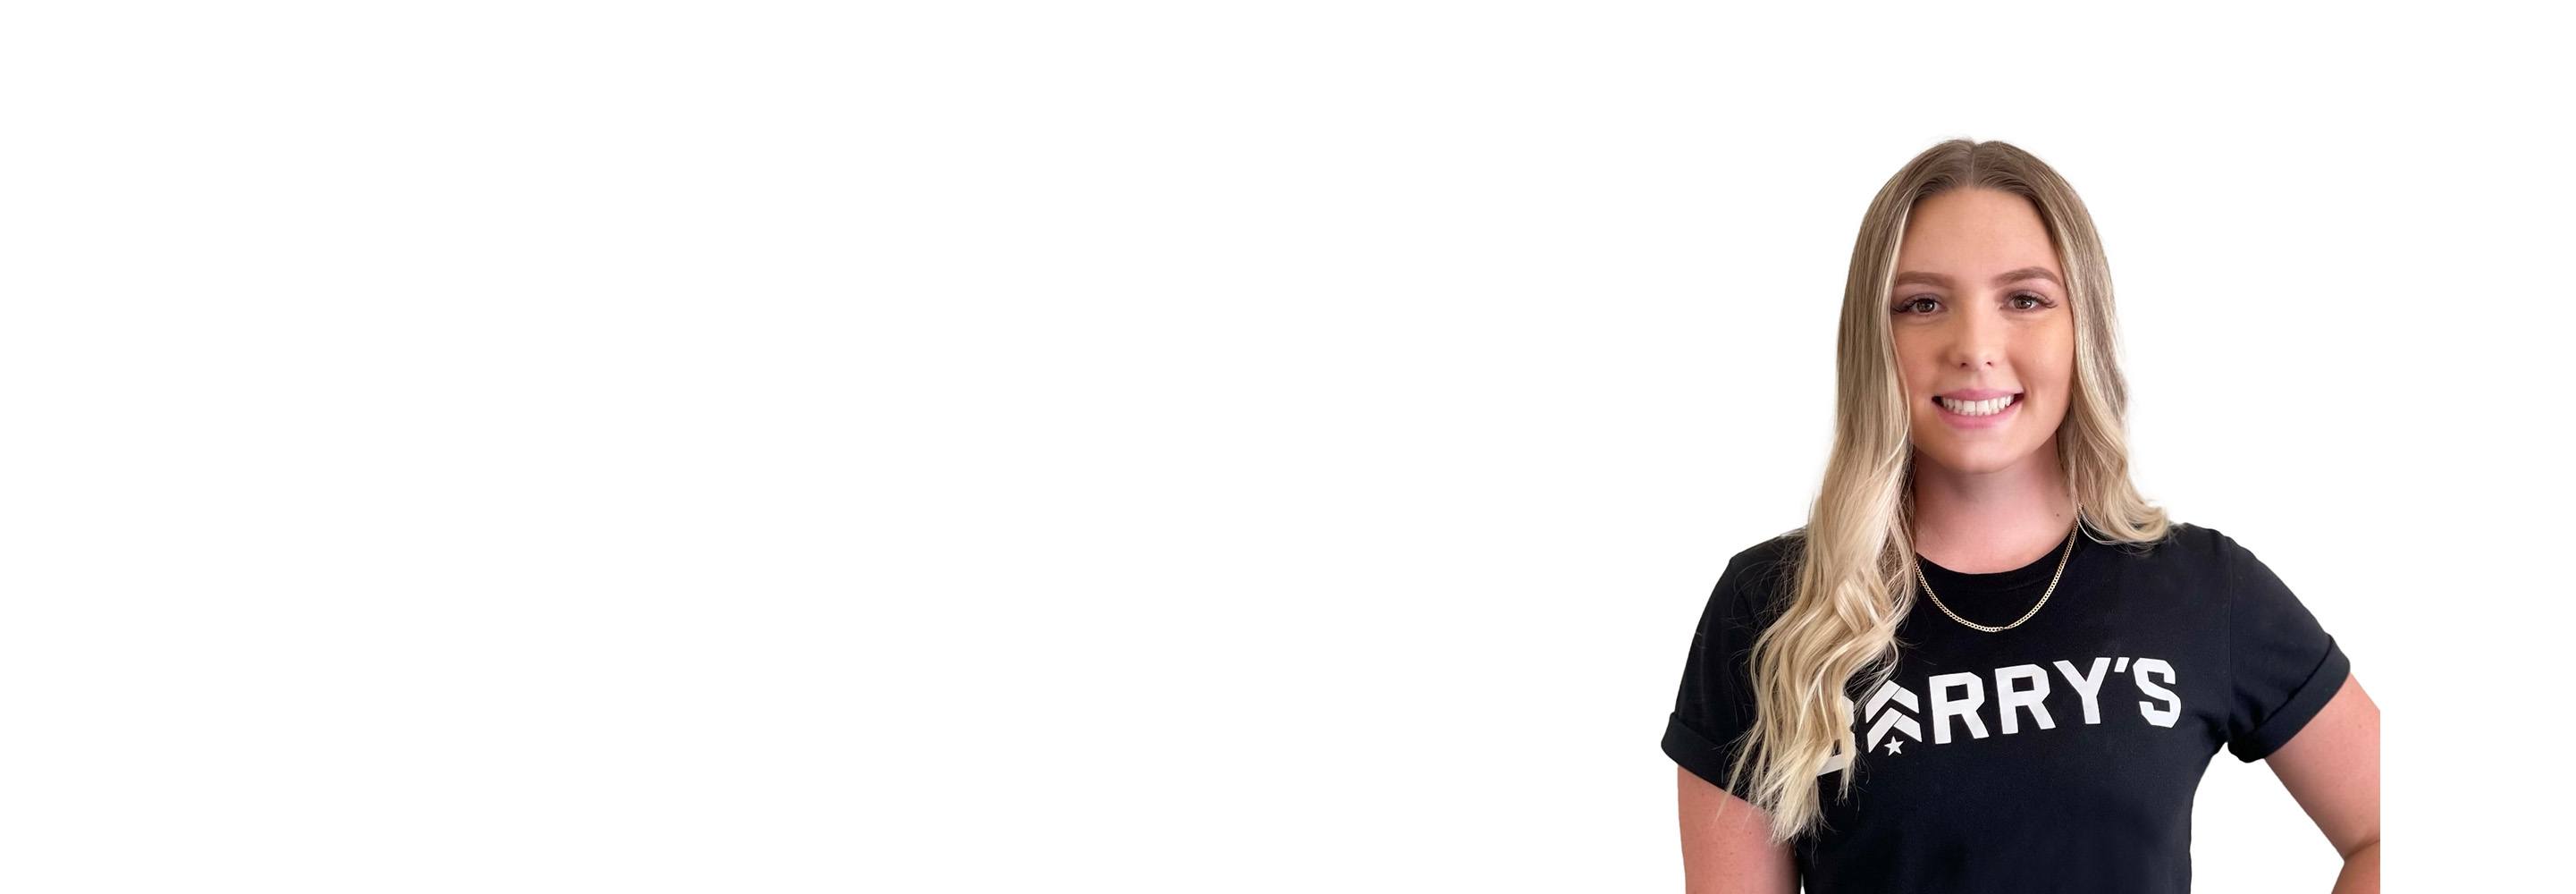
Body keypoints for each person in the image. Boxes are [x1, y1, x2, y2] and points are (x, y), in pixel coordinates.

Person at [1660, 139, 2378, 893]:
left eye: (2025, 300)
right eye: (1922, 304)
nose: (1974, 347)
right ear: (1874, 338)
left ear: (2082, 328)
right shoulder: (1773, 606)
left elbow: (2384, 831)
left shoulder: (2203, 587)